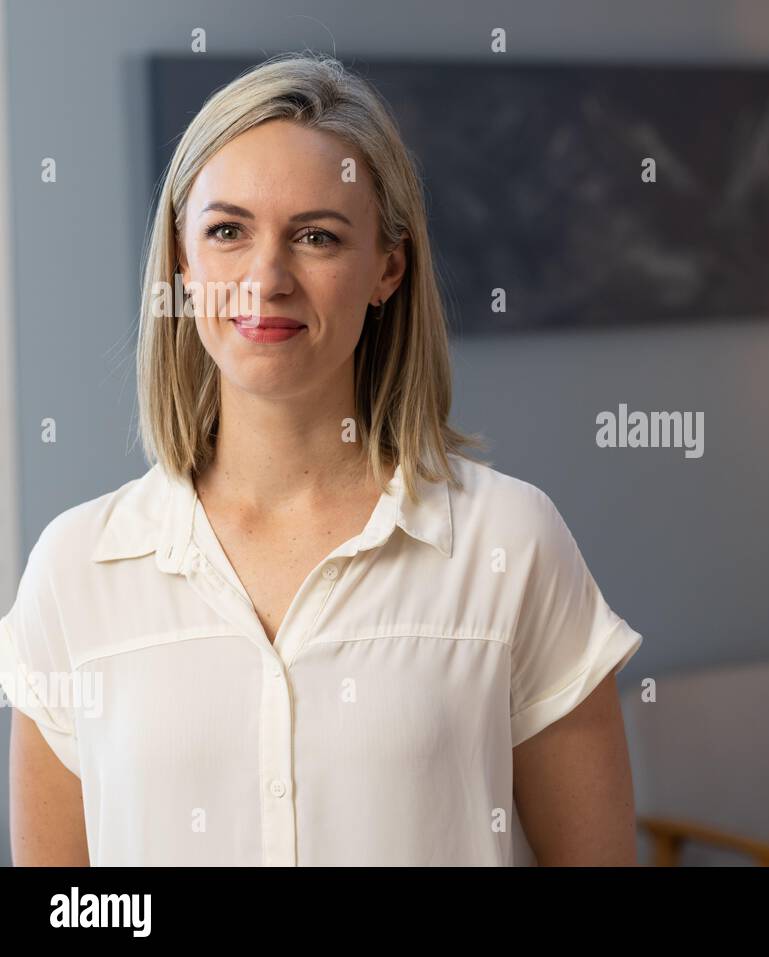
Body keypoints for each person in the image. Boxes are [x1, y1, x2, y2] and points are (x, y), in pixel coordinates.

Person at [1, 53, 643, 866]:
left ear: (387, 269)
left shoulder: (509, 542)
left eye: (316, 236)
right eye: (228, 231)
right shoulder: (74, 571)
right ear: (181, 262)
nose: (266, 280)